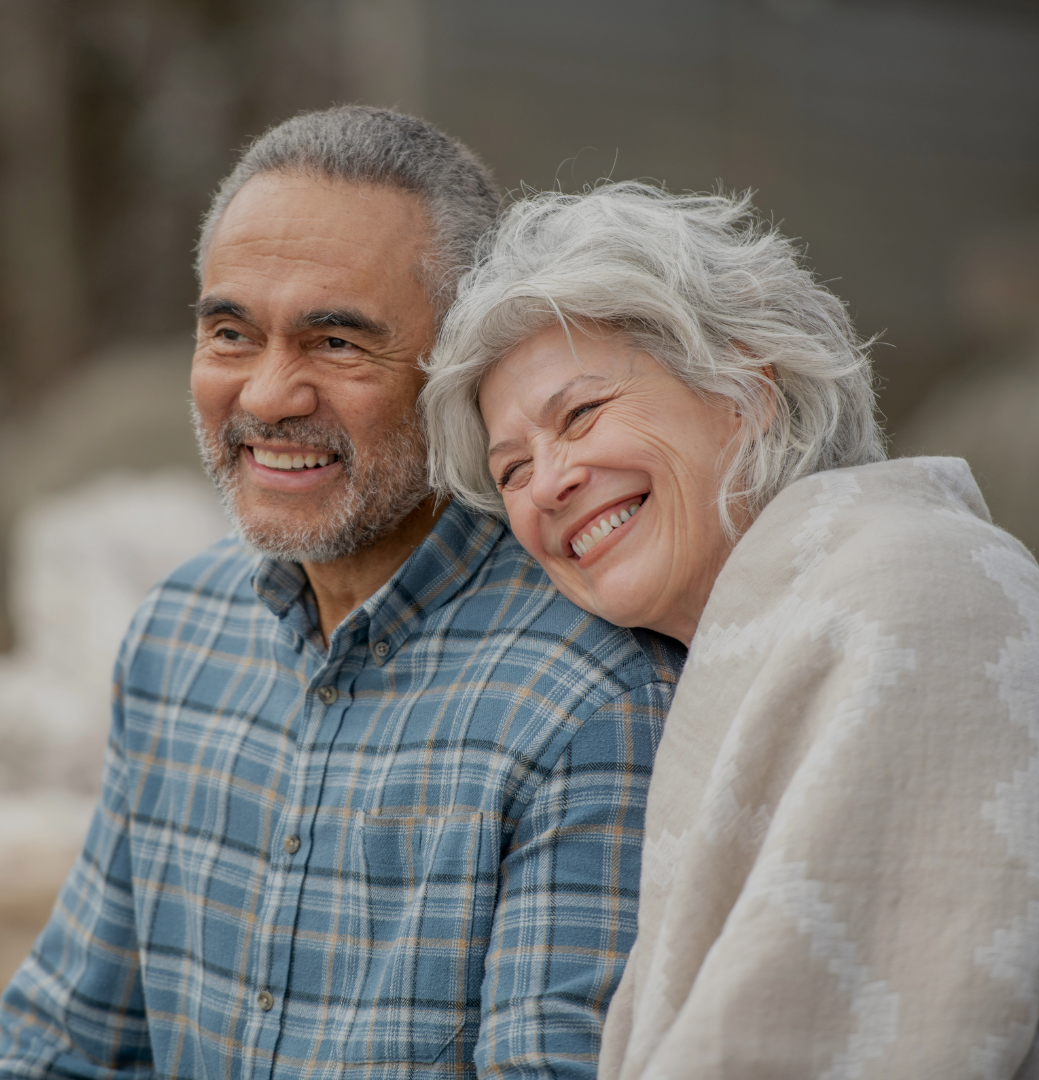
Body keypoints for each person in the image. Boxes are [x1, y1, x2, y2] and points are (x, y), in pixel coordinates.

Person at [0, 112, 685, 1080]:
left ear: (463, 369)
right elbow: (66, 1041)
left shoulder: (591, 697)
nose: (269, 396)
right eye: (231, 332)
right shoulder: (177, 636)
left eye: (335, 342)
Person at [421, 180, 1039, 1078]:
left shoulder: (916, 596)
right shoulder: (751, 632)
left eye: (579, 415)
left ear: (748, 386)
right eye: (510, 470)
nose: (545, 485)